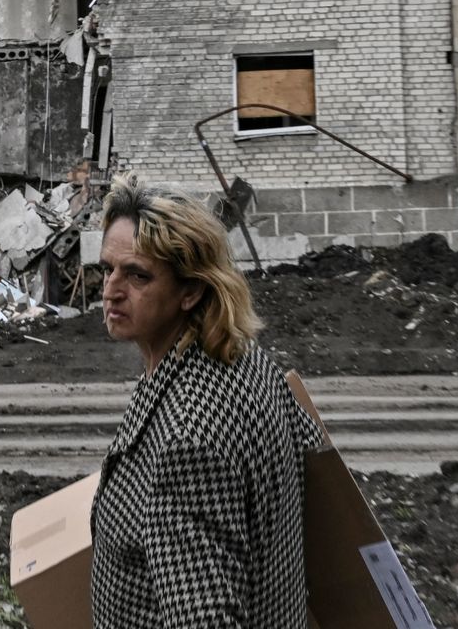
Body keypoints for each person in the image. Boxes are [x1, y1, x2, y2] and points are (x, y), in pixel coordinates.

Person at [88, 176, 320, 628]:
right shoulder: (248, 365)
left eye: (137, 275)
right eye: (107, 269)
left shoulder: (188, 441)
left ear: (190, 291)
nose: (111, 290)